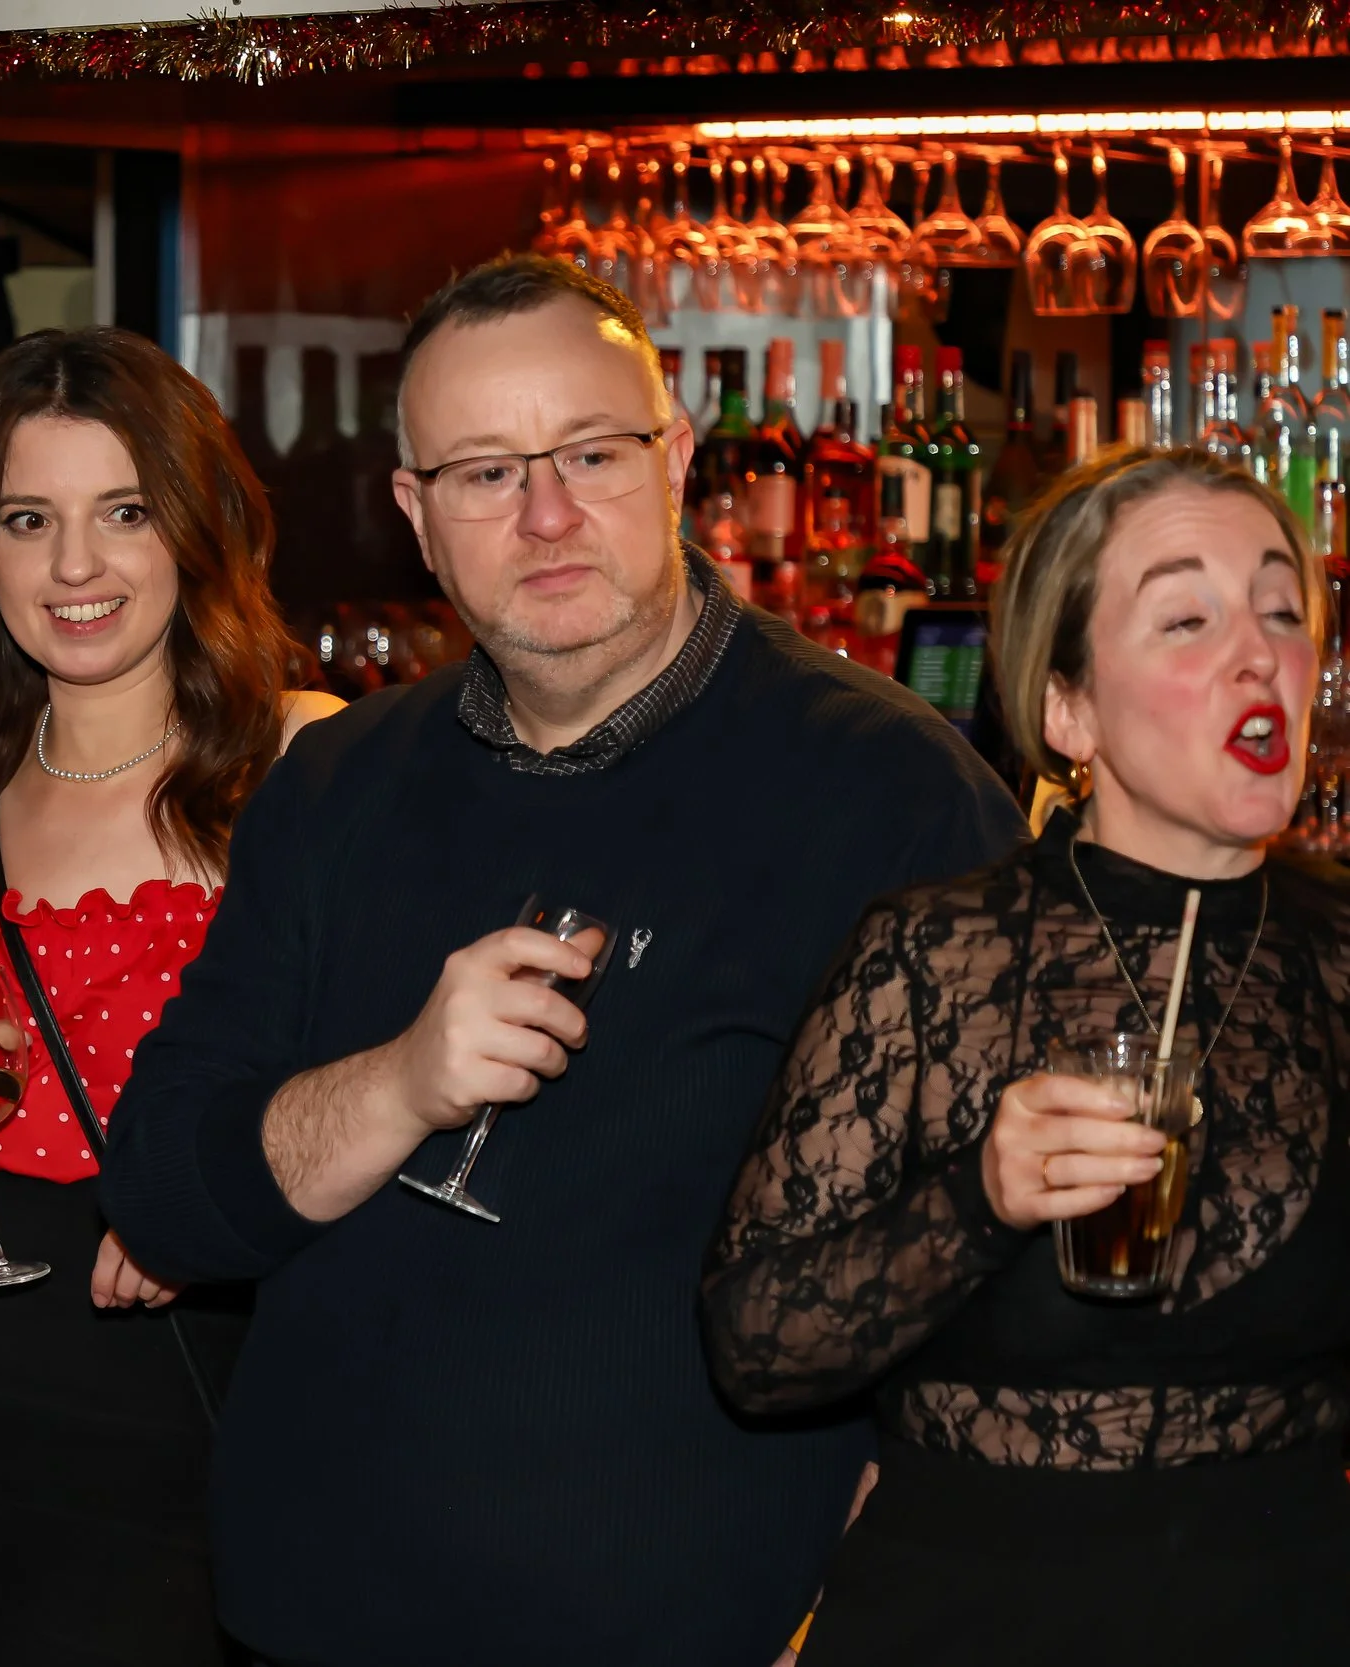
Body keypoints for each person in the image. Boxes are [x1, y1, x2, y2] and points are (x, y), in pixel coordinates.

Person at [95, 256, 1026, 1666]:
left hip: (685, 1627)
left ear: (680, 460)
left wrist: (868, 1588)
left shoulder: (892, 793)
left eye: (592, 452)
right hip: (306, 1613)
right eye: (483, 472)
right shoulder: (337, 782)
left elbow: (997, 1255)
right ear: (414, 514)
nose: (545, 513)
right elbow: (167, 1194)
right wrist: (401, 1082)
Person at [702, 447, 1350, 1665]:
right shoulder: (933, 954)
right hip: (969, 1618)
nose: (1258, 654)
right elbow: (752, 1346)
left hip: (1289, 1608)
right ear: (1068, 710)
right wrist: (976, 1199)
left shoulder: (1336, 956)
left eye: (1280, 608)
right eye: (1186, 618)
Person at [0, 326, 342, 1667]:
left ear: (195, 529)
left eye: (123, 512)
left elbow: (376, 1116)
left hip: (173, 1433)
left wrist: (209, 1206)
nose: (75, 565)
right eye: (30, 518)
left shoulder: (303, 763)